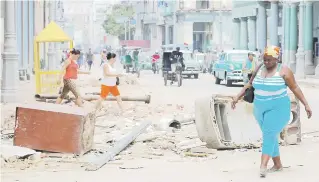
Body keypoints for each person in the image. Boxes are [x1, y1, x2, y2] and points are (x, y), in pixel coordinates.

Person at [231, 46, 312, 178]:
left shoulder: (284, 71)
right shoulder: (259, 68)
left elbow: (295, 87)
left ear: (277, 59)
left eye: (269, 60)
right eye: (265, 59)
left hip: (278, 109)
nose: (266, 62)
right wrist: (237, 97)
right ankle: (278, 165)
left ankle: (263, 166)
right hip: (259, 109)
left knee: (268, 133)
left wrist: (306, 105)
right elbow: (249, 84)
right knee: (270, 135)